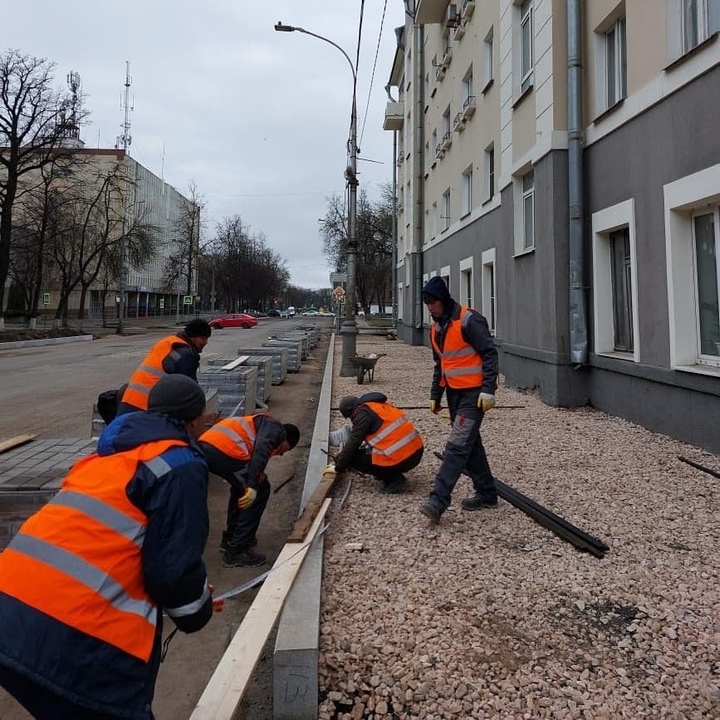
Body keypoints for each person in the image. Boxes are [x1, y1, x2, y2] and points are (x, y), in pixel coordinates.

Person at [0, 374, 214, 720]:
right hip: (76, 640)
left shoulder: (101, 460)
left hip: (10, 613)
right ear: (194, 418)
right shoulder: (180, 465)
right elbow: (171, 573)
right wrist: (198, 606)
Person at [418, 276, 499, 523]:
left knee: (456, 445)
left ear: (443, 300)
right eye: (427, 303)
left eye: (433, 302)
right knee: (470, 444)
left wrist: (488, 389)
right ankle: (486, 493)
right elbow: (439, 364)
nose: (430, 307)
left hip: (474, 395)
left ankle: (438, 500)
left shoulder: (468, 319)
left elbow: (489, 354)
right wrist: (435, 395)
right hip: (454, 393)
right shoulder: (435, 329)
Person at [198, 414, 300, 568]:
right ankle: (236, 550)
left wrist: (252, 482)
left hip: (209, 446)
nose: (281, 454)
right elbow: (261, 449)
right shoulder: (276, 429)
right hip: (225, 450)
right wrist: (252, 485)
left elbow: (256, 461)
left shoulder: (261, 425)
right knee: (259, 490)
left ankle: (232, 538)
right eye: (285, 449)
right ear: (286, 439)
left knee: (242, 489)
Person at [329, 392, 424, 494]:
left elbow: (353, 444)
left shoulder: (362, 415)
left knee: (355, 458)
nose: (352, 420)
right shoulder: (376, 406)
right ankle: (386, 472)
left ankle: (395, 480)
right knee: (366, 453)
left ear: (351, 411)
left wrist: (339, 466)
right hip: (416, 450)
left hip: (404, 457)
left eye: (349, 417)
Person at [116, 318, 212, 415]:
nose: (206, 342)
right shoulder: (185, 354)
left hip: (129, 401)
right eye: (203, 338)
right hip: (147, 408)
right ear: (192, 337)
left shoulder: (168, 343)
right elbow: (190, 391)